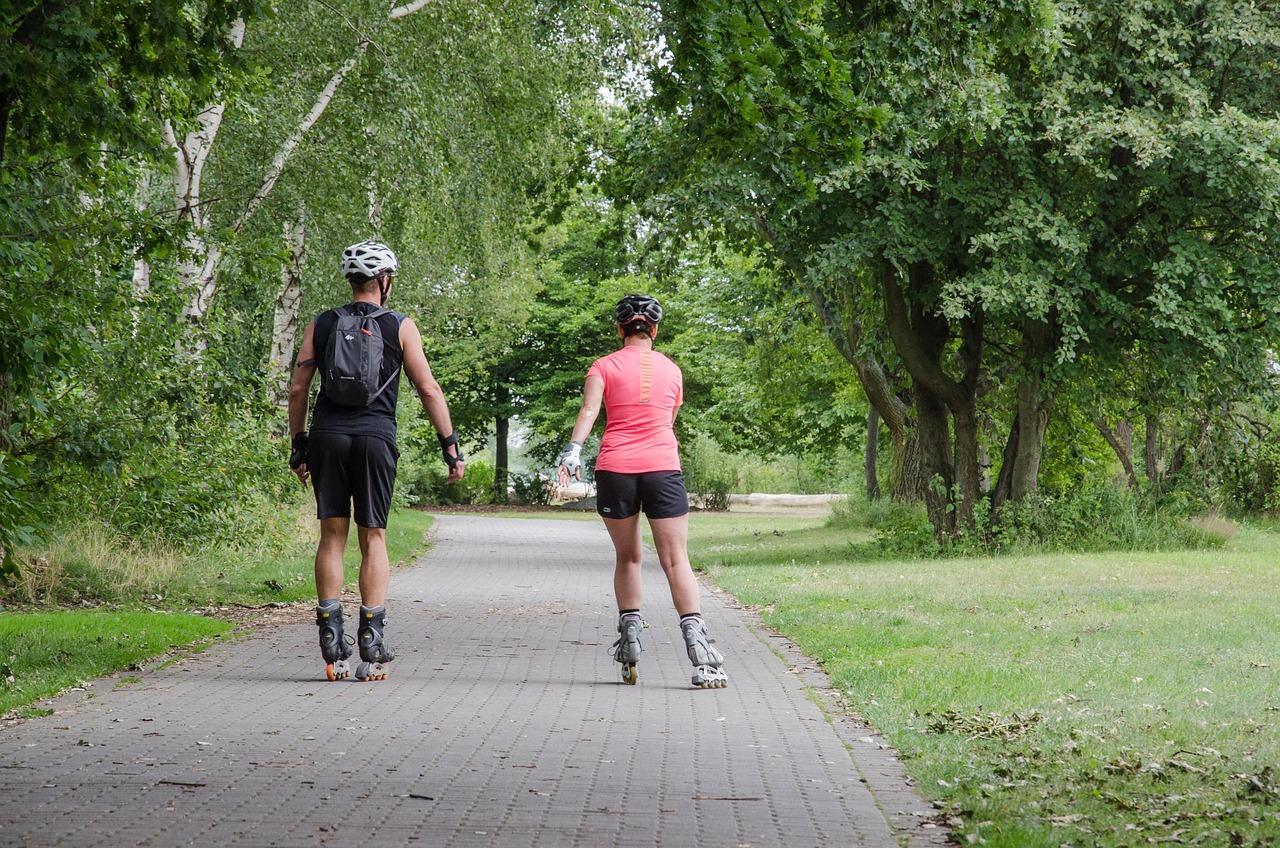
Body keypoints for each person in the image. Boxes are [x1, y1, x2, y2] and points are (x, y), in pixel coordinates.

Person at [287, 240, 464, 681]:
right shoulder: (400, 326)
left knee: (331, 535)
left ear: (351, 281)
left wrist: (299, 443)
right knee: (374, 537)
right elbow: (428, 389)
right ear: (384, 282)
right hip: (375, 437)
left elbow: (298, 389)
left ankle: (331, 635)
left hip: (327, 435)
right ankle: (371, 635)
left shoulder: (323, 323)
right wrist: (450, 445)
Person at [557, 294, 728, 689]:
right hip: (662, 468)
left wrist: (573, 451)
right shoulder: (672, 369)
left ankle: (630, 641)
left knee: (629, 558)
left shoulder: (602, 366)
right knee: (674, 558)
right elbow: (668, 419)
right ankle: (700, 652)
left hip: (616, 469)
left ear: (620, 330)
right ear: (654, 329)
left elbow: (589, 411)